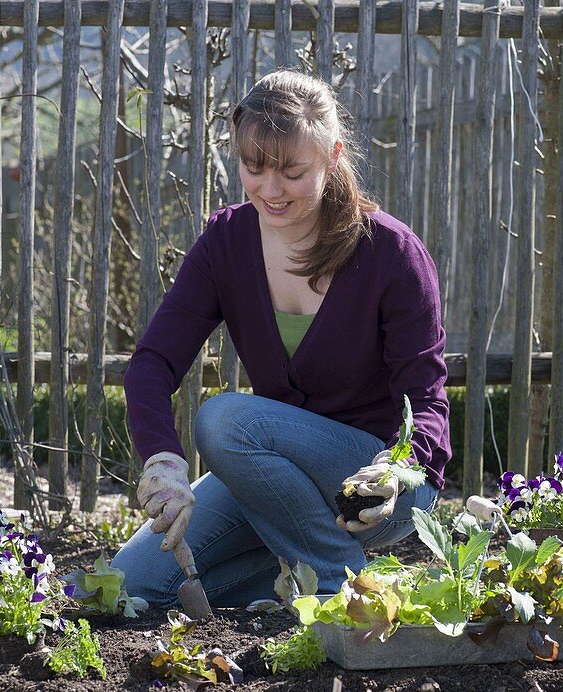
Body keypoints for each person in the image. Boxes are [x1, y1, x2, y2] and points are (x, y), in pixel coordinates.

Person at [112, 69, 450, 608]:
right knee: (133, 585)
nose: (270, 190)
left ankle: (344, 589)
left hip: (374, 492)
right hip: (273, 480)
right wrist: (163, 462)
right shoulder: (227, 242)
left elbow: (427, 401)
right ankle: (292, 580)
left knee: (224, 421)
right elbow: (152, 363)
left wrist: (399, 468)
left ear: (333, 155)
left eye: (292, 171)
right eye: (254, 168)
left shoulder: (389, 253)